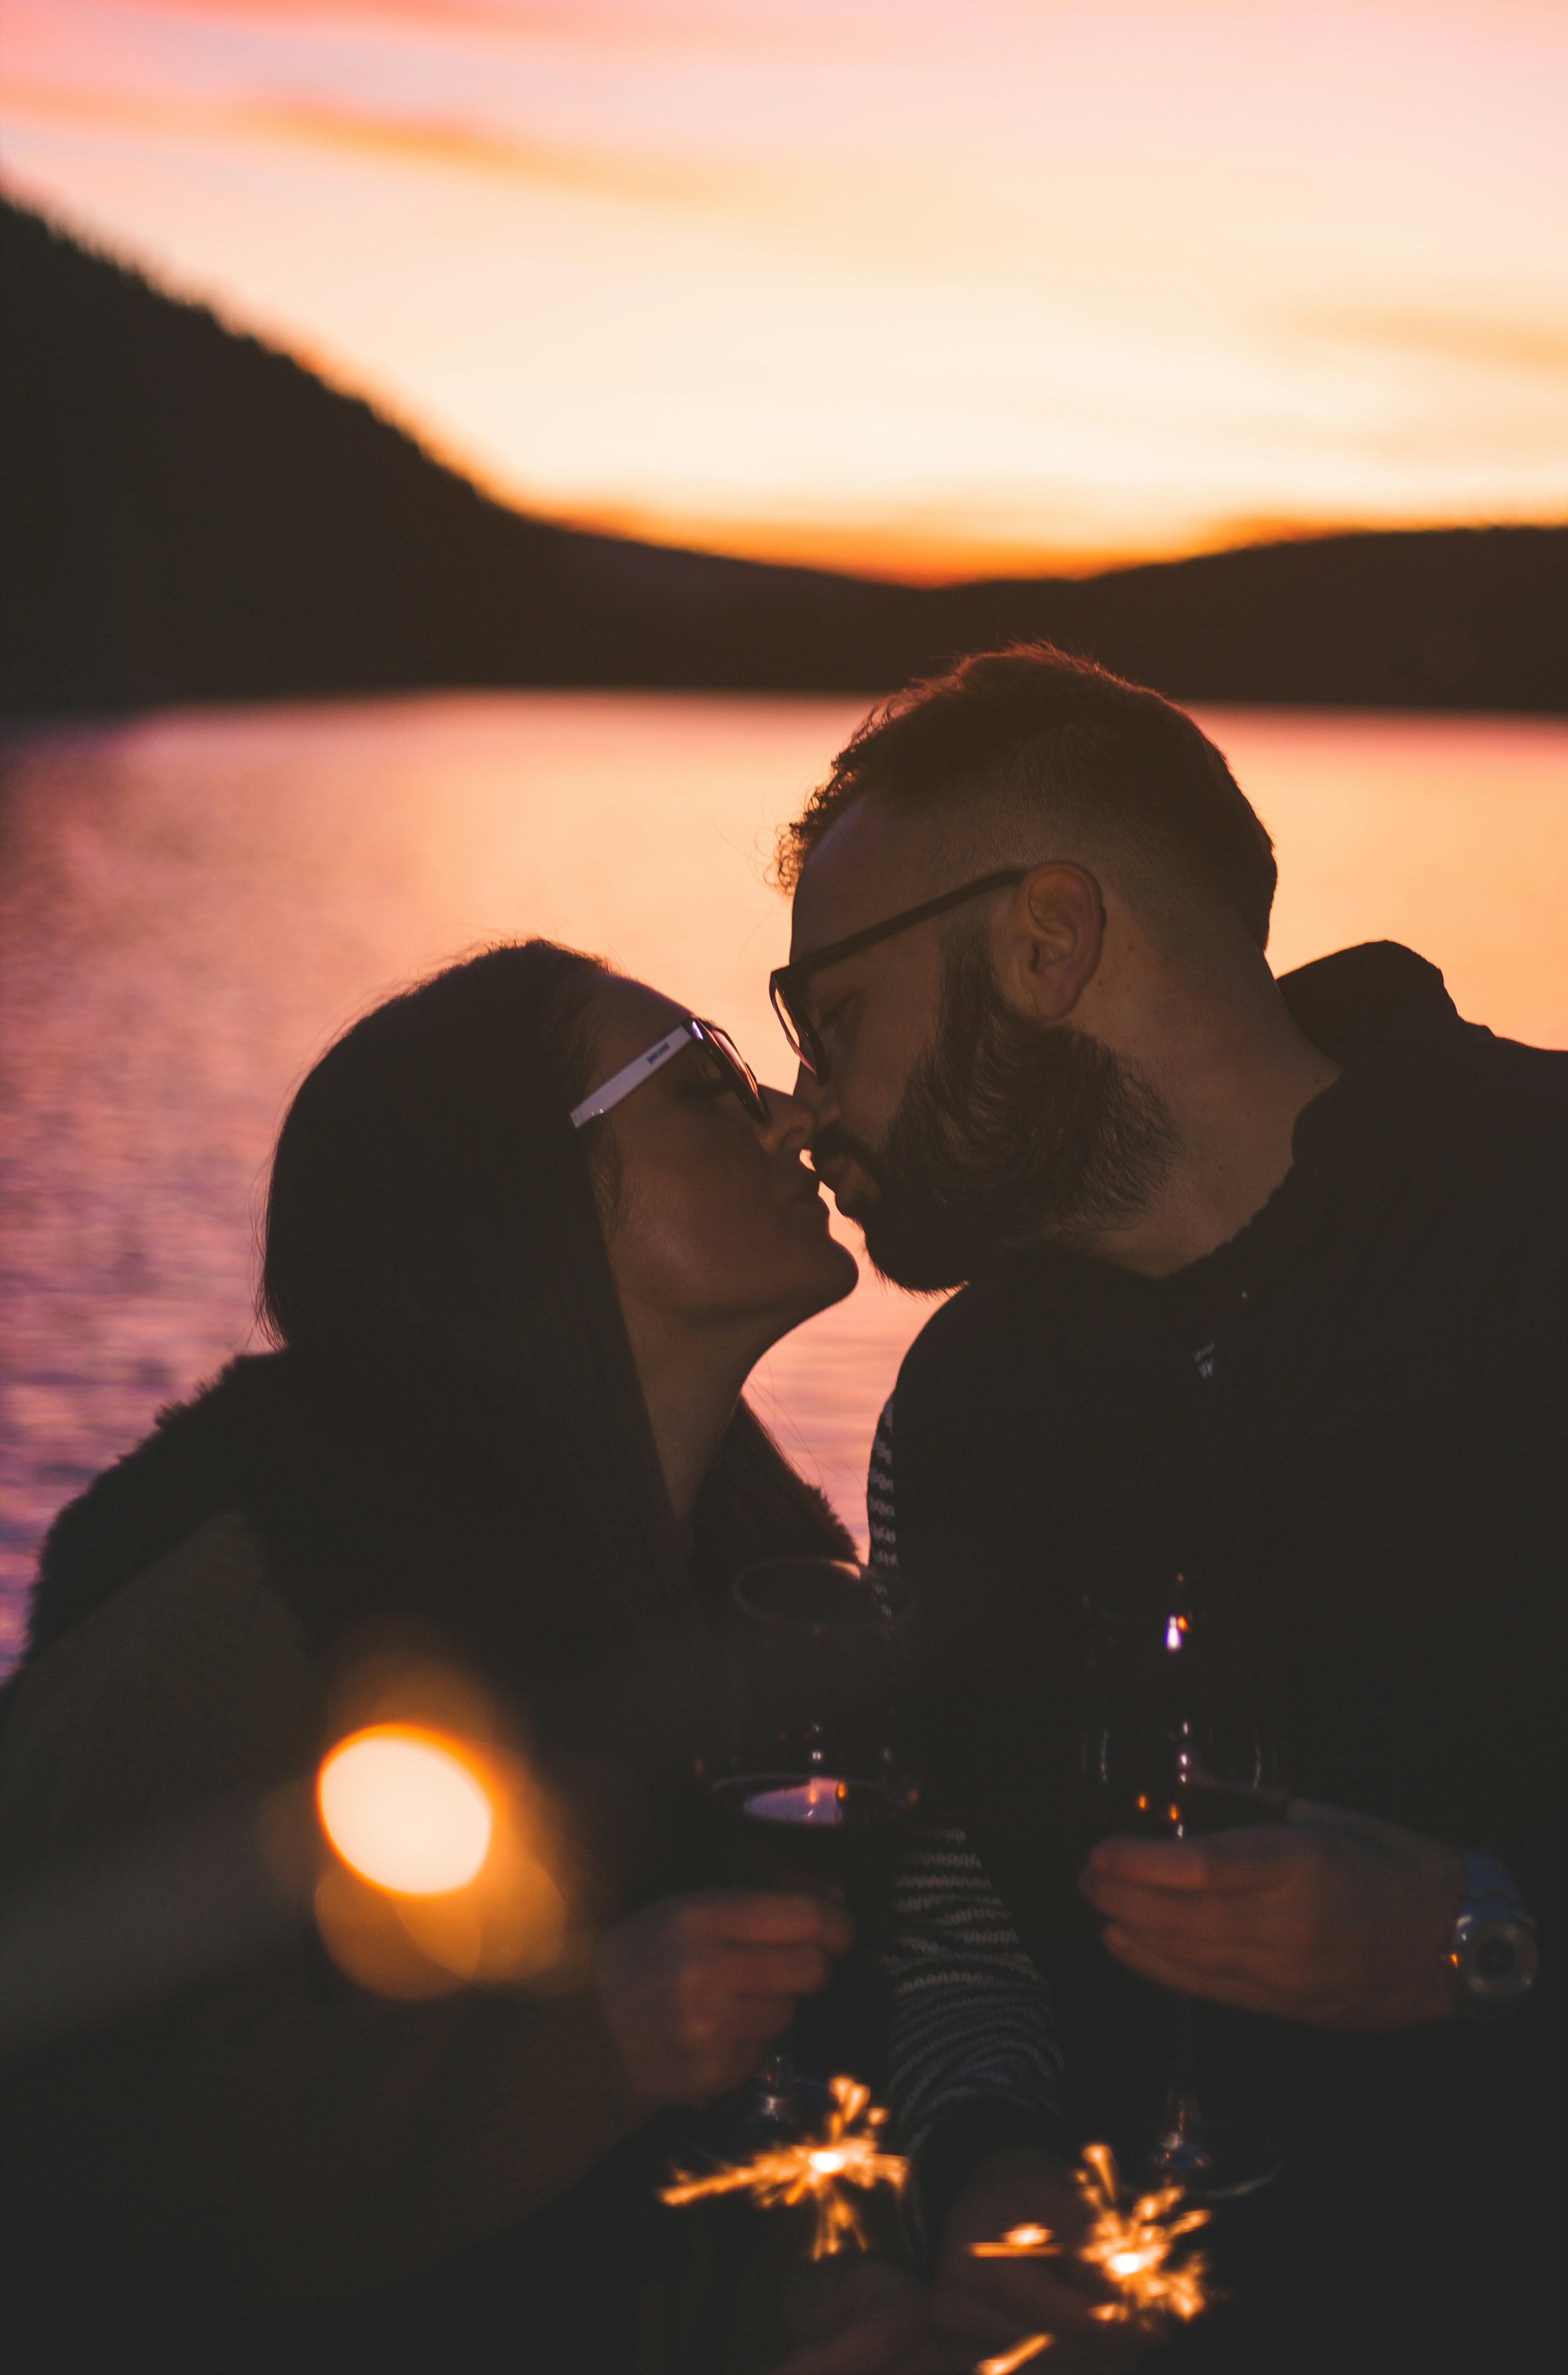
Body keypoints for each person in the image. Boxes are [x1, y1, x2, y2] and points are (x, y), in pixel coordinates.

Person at [771, 645, 1568, 2372]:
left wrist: (1489, 1928)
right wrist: (985, 2167)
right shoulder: (959, 1418)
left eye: (828, 1018)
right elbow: (971, 1924)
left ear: (1046, 938)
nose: (807, 1098)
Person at [0, 939, 947, 2372]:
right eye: (702, 1087)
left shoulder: (763, 1584)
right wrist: (584, 2050)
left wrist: (810, 2280)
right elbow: (77, 2141)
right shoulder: (255, 1600)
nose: (791, 1119)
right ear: (519, 1195)